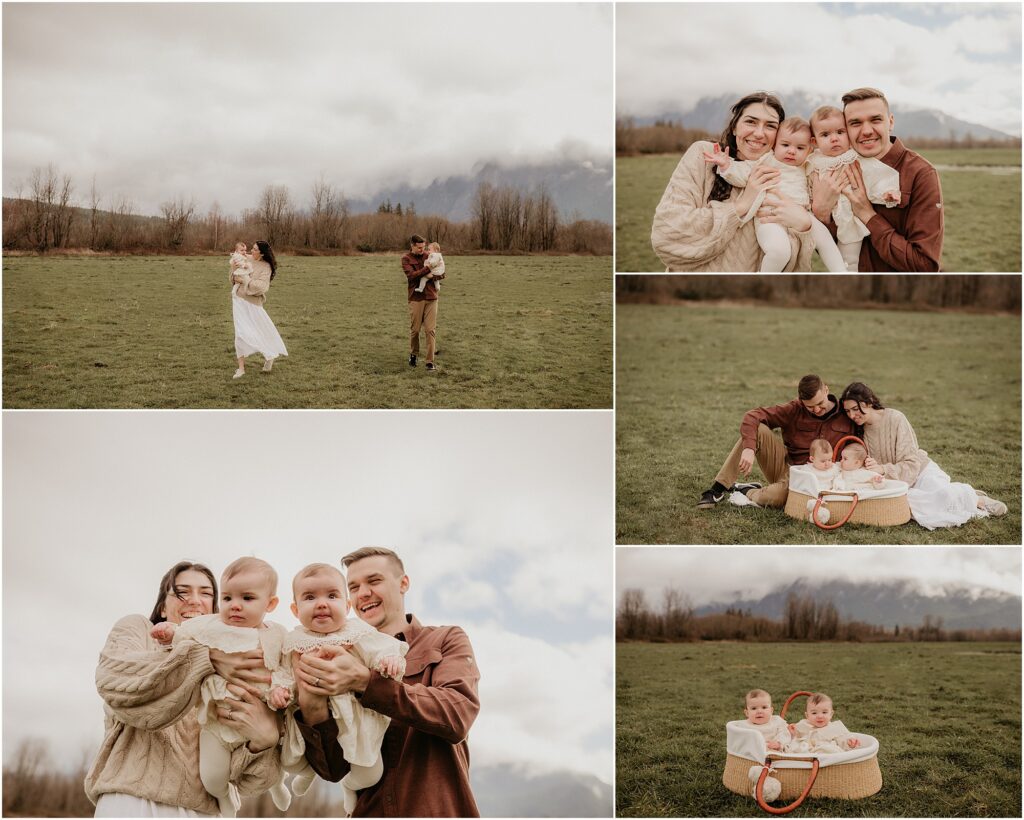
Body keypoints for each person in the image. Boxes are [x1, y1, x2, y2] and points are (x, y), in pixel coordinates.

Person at [85, 560, 284, 817]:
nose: (194, 600)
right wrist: (206, 658)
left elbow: (249, 783)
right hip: (133, 802)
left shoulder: (240, 662)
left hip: (207, 812)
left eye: (206, 593)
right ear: (162, 607)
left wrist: (264, 741)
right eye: (181, 592)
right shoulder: (139, 629)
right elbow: (116, 684)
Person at [293, 546, 481, 817]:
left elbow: (457, 715)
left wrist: (364, 682)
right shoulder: (332, 655)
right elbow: (333, 770)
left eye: (374, 581)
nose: (363, 593)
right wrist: (311, 705)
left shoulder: (446, 639)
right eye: (353, 587)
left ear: (403, 583)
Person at [154, 557, 290, 817]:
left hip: (262, 708)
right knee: (213, 777)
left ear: (270, 604)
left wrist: (281, 689)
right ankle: (225, 794)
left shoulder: (277, 634)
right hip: (218, 718)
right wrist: (171, 631)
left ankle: (278, 785)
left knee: (277, 761)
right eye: (227, 599)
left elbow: (288, 665)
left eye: (247, 598)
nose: (234, 606)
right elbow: (189, 631)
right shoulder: (213, 626)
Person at [271, 563, 408, 813]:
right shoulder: (292, 642)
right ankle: (307, 774)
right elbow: (283, 673)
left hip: (356, 721)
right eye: (310, 597)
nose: (322, 603)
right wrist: (280, 690)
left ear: (346, 606)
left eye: (332, 596)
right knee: (289, 761)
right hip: (313, 726)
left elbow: (383, 649)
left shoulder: (357, 633)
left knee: (369, 774)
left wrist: (389, 660)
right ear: (295, 609)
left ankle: (349, 785)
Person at [651, 91, 814, 272]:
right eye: (751, 122)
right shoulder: (705, 155)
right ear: (735, 126)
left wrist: (803, 225)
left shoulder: (791, 173)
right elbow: (666, 233)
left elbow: (792, 266)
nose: (759, 133)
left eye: (770, 126)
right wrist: (742, 205)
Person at [839, 382, 1007, 529]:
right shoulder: (858, 429)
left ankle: (977, 500)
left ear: (868, 403)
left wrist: (883, 468)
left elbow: (912, 463)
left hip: (920, 471)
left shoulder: (896, 418)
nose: (852, 416)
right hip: (895, 482)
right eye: (848, 411)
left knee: (940, 494)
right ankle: (964, 497)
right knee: (912, 504)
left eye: (855, 409)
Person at [811, 88, 943, 272]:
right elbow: (825, 248)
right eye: (855, 123)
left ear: (890, 122)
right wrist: (821, 215)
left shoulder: (920, 173)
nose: (866, 131)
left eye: (875, 120)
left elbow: (924, 267)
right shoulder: (833, 169)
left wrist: (867, 215)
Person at [704, 116, 846, 272]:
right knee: (779, 252)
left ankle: (841, 271)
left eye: (800, 148)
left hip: (801, 214)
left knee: (824, 236)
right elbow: (743, 172)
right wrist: (726, 166)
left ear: (809, 149)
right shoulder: (766, 161)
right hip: (769, 218)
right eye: (785, 145)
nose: (791, 151)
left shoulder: (807, 165)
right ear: (775, 145)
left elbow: (827, 160)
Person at [697, 374, 858, 509]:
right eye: (810, 407)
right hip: (788, 470)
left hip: (823, 476)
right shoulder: (794, 409)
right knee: (758, 429)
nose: (816, 410)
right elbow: (752, 416)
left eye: (820, 404)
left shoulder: (846, 414)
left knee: (776, 499)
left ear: (826, 390)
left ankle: (746, 490)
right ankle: (717, 489)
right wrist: (749, 449)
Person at [806, 106, 900, 271]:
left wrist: (888, 192)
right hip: (820, 219)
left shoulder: (854, 158)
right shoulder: (812, 161)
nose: (834, 139)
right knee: (828, 255)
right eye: (826, 135)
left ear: (848, 134)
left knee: (849, 260)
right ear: (814, 142)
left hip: (849, 218)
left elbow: (876, 174)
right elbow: (804, 181)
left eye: (840, 132)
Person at [232, 239, 288, 379]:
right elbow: (233, 276)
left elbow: (260, 287)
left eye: (255, 249)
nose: (251, 250)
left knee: (261, 332)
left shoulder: (266, 267)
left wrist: (245, 281)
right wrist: (234, 274)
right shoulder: (246, 259)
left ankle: (269, 355)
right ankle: (241, 369)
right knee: (239, 334)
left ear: (261, 254)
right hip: (238, 301)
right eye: (252, 248)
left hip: (253, 304)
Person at [402, 235, 444, 371]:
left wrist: (434, 275)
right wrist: (428, 269)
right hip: (416, 298)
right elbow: (412, 276)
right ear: (412, 245)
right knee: (415, 330)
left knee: (430, 330)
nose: (422, 250)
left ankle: (430, 362)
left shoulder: (431, 255)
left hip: (431, 297)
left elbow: (443, 273)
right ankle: (414, 354)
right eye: (419, 248)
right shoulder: (406, 259)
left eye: (424, 247)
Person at [786, 693, 860, 753]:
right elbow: (794, 736)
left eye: (824, 712)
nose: (820, 716)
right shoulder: (803, 724)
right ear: (807, 715)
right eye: (814, 713)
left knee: (830, 749)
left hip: (828, 755)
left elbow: (844, 738)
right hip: (807, 754)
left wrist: (850, 742)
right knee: (795, 745)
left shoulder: (835, 728)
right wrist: (792, 732)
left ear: (831, 714)